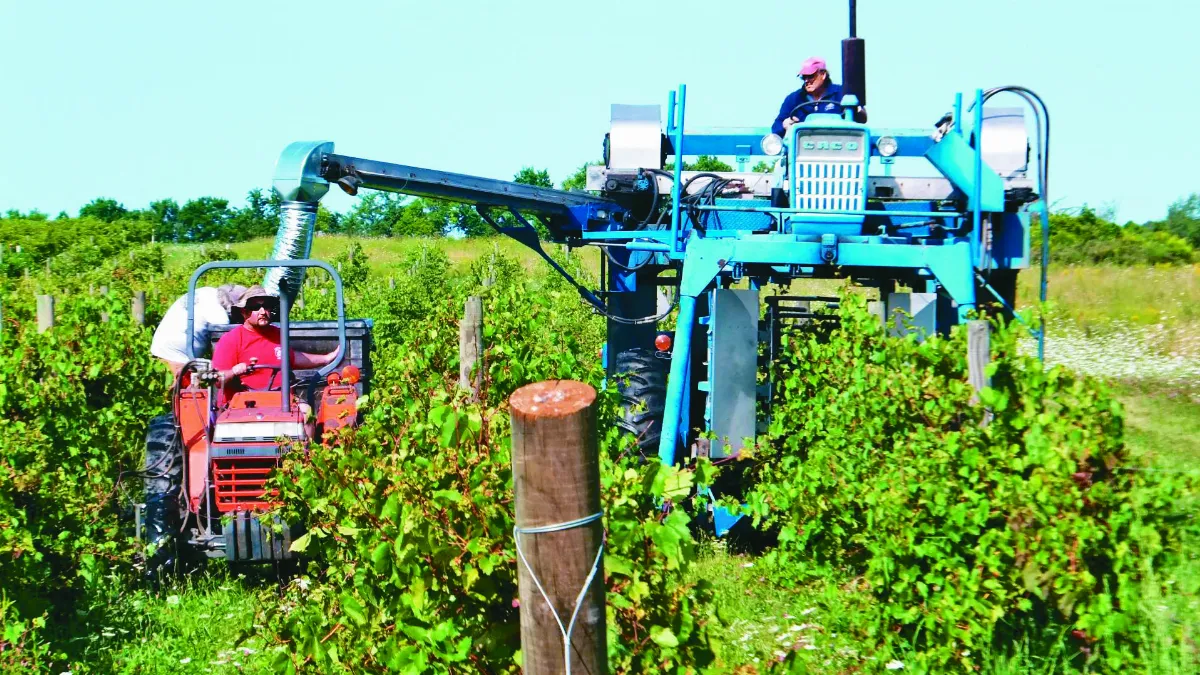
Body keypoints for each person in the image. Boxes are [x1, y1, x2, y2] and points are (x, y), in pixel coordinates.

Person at [210, 286, 340, 405]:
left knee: (306, 415)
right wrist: (233, 371)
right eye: (255, 307)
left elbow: (292, 358)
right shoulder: (230, 340)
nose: (263, 311)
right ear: (244, 312)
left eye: (266, 306)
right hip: (243, 403)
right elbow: (217, 380)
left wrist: (327, 358)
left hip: (281, 400)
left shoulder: (278, 334)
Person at [150, 284, 249, 376]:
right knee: (188, 390)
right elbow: (222, 347)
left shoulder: (207, 291)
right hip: (178, 355)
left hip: (162, 345)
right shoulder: (220, 315)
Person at [771, 57, 866, 136]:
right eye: (804, 77)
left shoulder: (842, 94)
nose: (807, 80)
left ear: (823, 75)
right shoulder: (794, 99)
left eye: (811, 76)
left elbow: (862, 118)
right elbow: (776, 127)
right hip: (804, 152)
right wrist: (784, 124)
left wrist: (858, 110)